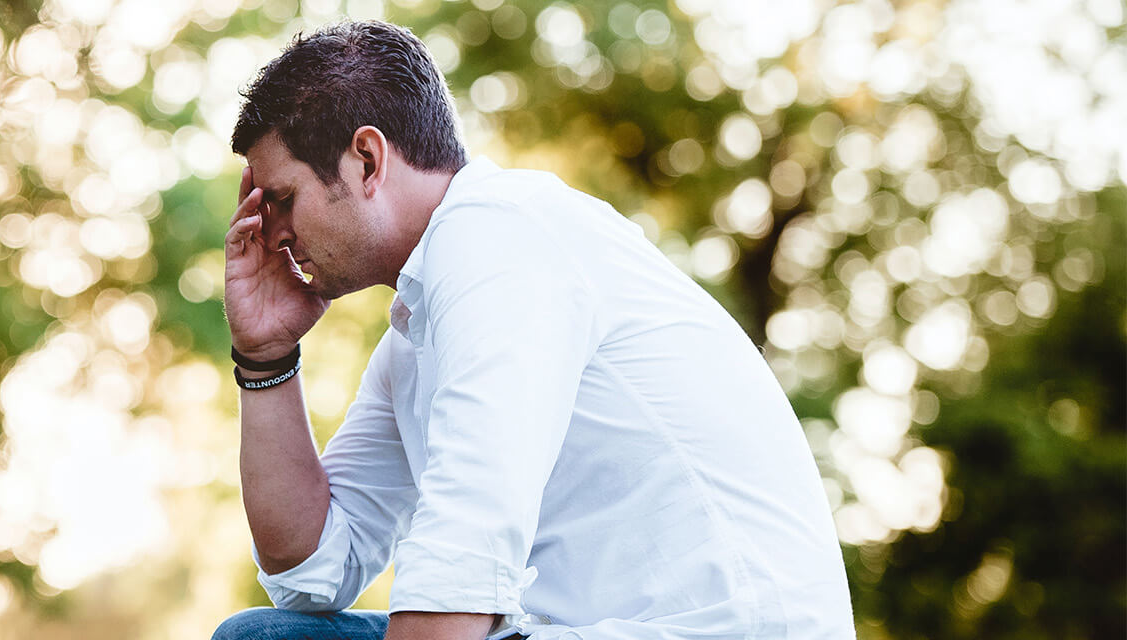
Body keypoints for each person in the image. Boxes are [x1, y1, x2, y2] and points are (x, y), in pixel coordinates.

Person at [212, 21, 854, 640]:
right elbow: (311, 574)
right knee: (266, 636)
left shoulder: (500, 234)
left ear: (367, 160)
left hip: (707, 633)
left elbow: (465, 548)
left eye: (284, 198)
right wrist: (265, 356)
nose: (272, 234)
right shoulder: (415, 335)